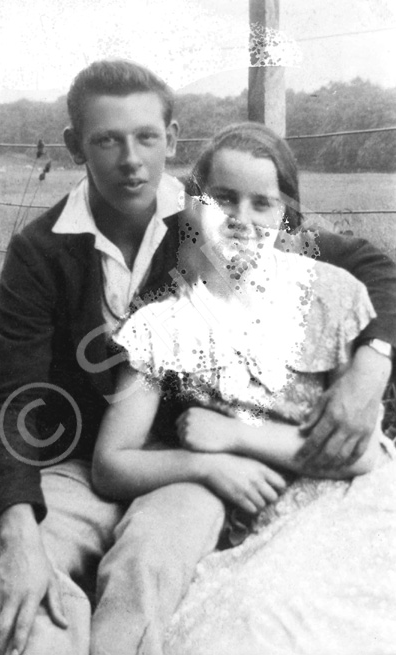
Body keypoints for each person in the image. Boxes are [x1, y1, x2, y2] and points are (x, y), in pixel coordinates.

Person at [0, 58, 396, 655]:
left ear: (172, 139)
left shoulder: (209, 217)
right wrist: (17, 528)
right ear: (73, 146)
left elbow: (369, 268)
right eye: (106, 140)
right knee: (2, 562)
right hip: (79, 462)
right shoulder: (41, 251)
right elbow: (5, 400)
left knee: (151, 562)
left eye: (146, 137)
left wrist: (372, 364)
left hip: (182, 455)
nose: (131, 159)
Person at [92, 121, 396, 654]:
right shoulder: (164, 318)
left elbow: (361, 454)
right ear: (192, 204)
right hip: (235, 502)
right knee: (235, 625)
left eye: (263, 204)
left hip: (340, 501)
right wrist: (204, 461)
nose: (241, 219)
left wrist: (230, 436)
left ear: (286, 218)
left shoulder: (328, 294)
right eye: (223, 199)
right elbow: (111, 460)